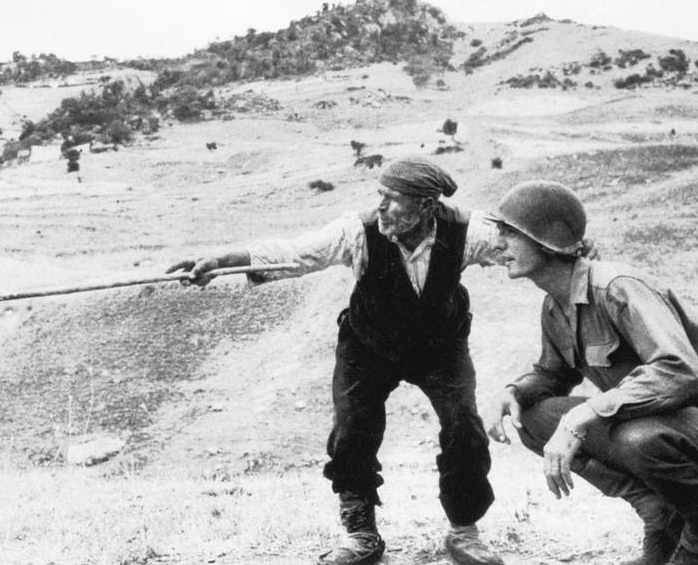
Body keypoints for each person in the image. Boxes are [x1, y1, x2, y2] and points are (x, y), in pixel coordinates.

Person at [167, 156, 506, 565]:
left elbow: (522, 242)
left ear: (427, 207)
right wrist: (221, 262)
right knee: (352, 429)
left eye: (392, 200)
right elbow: (294, 253)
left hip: (439, 345)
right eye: (379, 196)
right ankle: (361, 533)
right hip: (369, 344)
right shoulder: (357, 232)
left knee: (464, 427)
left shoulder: (468, 230)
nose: (380, 208)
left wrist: (570, 249)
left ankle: (464, 530)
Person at [484, 180, 698, 565]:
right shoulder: (555, 305)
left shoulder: (617, 287)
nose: (496, 245)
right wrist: (514, 391)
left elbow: (681, 372)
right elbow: (552, 375)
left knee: (636, 436)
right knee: (531, 415)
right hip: (677, 433)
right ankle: (659, 514)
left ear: (547, 241)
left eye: (508, 233)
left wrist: (585, 413)